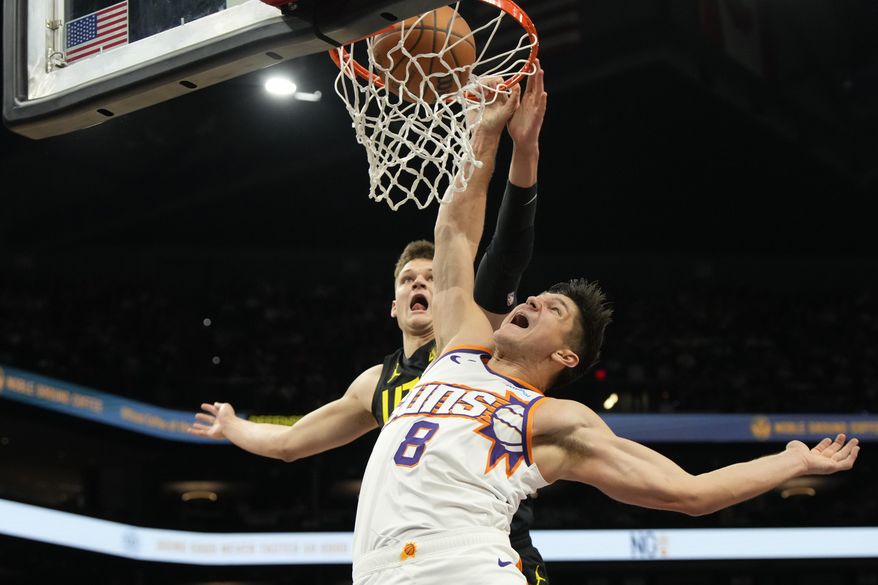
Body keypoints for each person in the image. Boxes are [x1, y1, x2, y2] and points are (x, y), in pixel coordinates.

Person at [348, 61, 861, 584]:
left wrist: (793, 461)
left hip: (462, 566)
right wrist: (485, 132)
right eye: (539, 297)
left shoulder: (555, 421)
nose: (534, 301)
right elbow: (455, 232)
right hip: (379, 572)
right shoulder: (460, 344)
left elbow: (690, 494)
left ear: (565, 356)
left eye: (555, 310)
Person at [187, 59, 552, 584]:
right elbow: (292, 443)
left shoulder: (473, 338)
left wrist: (523, 148)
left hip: (491, 553)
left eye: (431, 276)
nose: (421, 284)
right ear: (394, 304)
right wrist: (232, 425)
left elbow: (509, 247)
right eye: (408, 280)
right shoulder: (375, 386)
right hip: (408, 565)